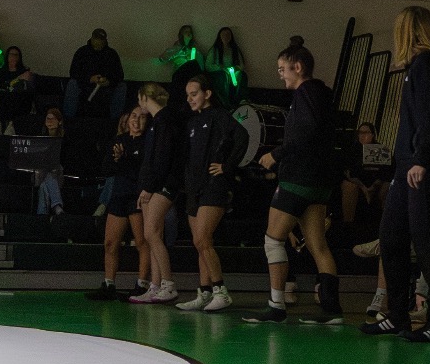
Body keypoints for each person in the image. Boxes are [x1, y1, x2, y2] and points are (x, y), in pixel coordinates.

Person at [366, 6, 430, 342]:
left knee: (429, 243)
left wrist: (421, 158)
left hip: (422, 165)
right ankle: (397, 315)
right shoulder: (418, 68)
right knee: (391, 238)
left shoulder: (426, 66)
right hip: (408, 164)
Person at [247, 43, 344, 325]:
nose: (280, 76)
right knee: (318, 245)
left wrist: (275, 154)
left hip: (299, 178)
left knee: (272, 239)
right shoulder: (322, 94)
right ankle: (331, 310)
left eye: (282, 69)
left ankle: (276, 305)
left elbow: (306, 133)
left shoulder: (306, 93)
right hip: (319, 182)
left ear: (297, 67)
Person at [174, 76, 242, 312]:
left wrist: (227, 166)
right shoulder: (193, 122)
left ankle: (221, 291)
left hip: (214, 186)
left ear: (208, 93)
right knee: (199, 243)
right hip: (194, 187)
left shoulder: (220, 116)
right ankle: (204, 293)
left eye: (194, 93)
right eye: (188, 95)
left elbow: (242, 137)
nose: (190, 98)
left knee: (202, 239)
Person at [126, 84, 181, 304]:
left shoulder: (164, 121)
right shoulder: (156, 122)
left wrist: (149, 187)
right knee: (152, 234)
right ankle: (155, 285)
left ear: (143, 97)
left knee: (150, 233)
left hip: (163, 184)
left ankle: (168, 284)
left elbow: (162, 158)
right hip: (152, 183)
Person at [88, 109, 149, 300]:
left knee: (141, 241)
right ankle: (109, 284)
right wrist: (116, 158)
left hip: (137, 196)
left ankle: (142, 284)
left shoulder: (148, 142)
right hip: (119, 195)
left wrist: (125, 159)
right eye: (133, 117)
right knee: (110, 242)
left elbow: (141, 169)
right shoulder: (119, 140)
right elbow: (107, 168)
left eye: (141, 117)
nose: (136, 121)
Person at [64, 28, 126, 120]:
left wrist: (108, 81)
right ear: (92, 38)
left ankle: (116, 122)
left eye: (101, 40)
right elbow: (73, 73)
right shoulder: (82, 52)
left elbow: (119, 76)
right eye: (96, 39)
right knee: (72, 84)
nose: (98, 42)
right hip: (84, 86)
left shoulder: (112, 54)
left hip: (105, 88)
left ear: (105, 41)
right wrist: (90, 79)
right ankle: (68, 119)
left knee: (122, 86)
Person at [26, 106, 68, 216]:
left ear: (59, 122)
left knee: (44, 184)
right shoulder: (40, 138)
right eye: (47, 119)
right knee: (45, 173)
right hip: (39, 174)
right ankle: (57, 206)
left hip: (57, 174)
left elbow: (64, 161)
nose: (49, 121)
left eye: (53, 119)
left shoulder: (64, 140)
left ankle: (42, 215)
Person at [202, 26, 244, 105]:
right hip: (220, 75)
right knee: (223, 76)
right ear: (219, 36)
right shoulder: (214, 50)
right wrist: (220, 68)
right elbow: (208, 66)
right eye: (223, 35)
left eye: (228, 34)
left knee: (242, 75)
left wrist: (236, 68)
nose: (226, 37)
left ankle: (239, 101)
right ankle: (225, 103)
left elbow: (241, 65)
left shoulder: (234, 49)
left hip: (232, 74)